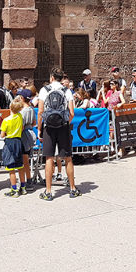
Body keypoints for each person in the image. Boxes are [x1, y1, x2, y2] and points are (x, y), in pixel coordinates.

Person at [37, 68, 80, 200]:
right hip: (63, 126)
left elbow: (40, 111)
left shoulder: (44, 90)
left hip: (48, 127)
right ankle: (73, 189)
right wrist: (65, 122)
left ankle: (49, 191)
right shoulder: (67, 91)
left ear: (51, 77)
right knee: (67, 158)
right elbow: (72, 112)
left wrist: (40, 129)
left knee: (49, 158)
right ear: (62, 79)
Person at [0, 97, 26, 197]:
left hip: (10, 142)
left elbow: (2, 135)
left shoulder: (6, 120)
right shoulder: (20, 116)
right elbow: (22, 128)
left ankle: (14, 189)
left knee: (11, 168)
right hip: (18, 141)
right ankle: (23, 188)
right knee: (20, 166)